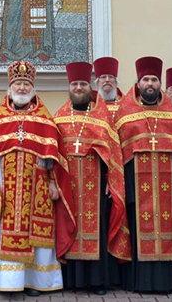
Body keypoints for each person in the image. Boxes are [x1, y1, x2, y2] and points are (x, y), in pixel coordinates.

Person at [0, 60, 75, 295]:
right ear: (10, 88)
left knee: (38, 237)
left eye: (26, 84)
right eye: (18, 84)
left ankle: (36, 282)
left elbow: (54, 157)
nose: (21, 88)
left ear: (33, 88)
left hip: (37, 188)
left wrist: (53, 183)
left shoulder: (45, 120)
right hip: (5, 189)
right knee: (5, 232)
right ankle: (9, 282)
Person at [55, 61, 128, 295]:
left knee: (96, 227)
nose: (78, 88)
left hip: (95, 183)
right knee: (69, 226)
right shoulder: (59, 116)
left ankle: (97, 281)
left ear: (90, 87)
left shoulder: (101, 116)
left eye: (83, 84)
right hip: (68, 184)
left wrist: (111, 180)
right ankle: (72, 280)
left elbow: (113, 151)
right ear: (69, 87)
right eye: (75, 84)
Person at [114, 57, 172, 293]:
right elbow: (121, 154)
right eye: (146, 79)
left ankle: (169, 283)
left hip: (166, 188)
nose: (150, 83)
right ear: (138, 83)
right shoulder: (125, 113)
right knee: (138, 235)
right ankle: (140, 283)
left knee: (169, 232)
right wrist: (128, 191)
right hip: (137, 188)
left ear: (159, 83)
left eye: (154, 79)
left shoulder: (171, 114)